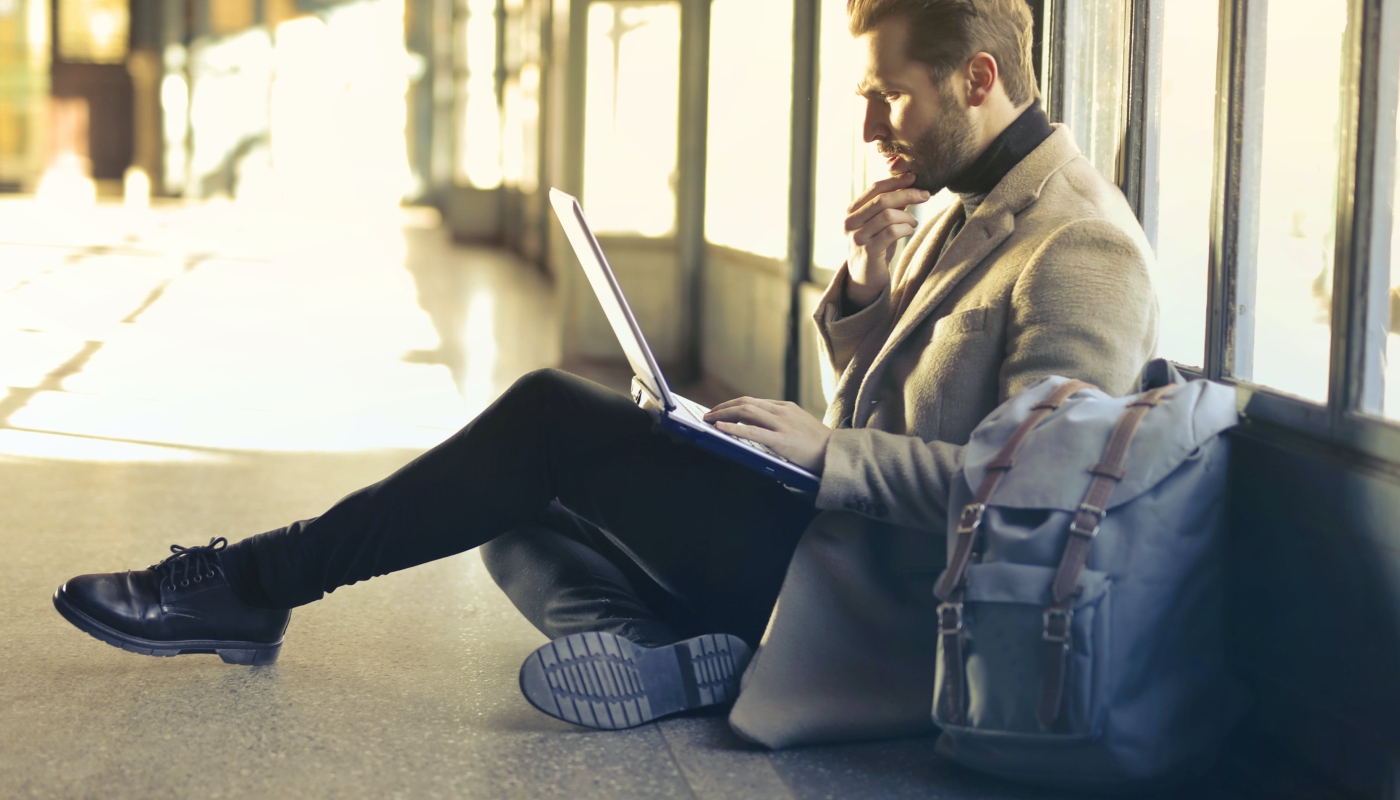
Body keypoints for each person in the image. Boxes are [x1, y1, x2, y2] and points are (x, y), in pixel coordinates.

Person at [52, 0, 1157, 738]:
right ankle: (675, 656)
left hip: (886, 601)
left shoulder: (1079, 246)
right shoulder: (957, 204)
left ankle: (253, 584)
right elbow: (896, 400)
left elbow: (1031, 501)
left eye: (890, 95)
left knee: (540, 420)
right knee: (502, 509)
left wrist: (823, 452)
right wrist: (866, 289)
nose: (872, 126)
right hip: (823, 541)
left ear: (975, 78)